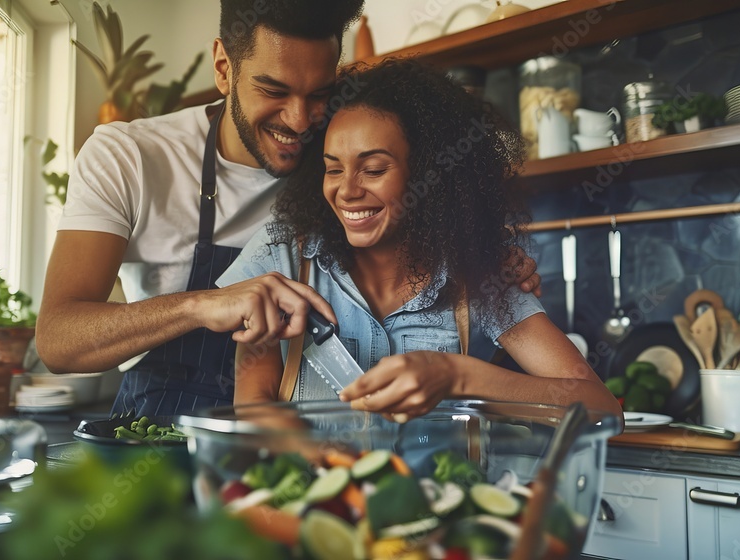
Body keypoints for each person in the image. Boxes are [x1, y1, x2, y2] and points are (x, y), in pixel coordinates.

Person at [37, 0, 541, 417]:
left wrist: (485, 254)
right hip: (160, 424)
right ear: (223, 68)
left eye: (319, 94)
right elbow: (58, 341)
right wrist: (201, 304)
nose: (300, 122)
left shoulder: (341, 151)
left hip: (281, 427)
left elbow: (430, 203)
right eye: (273, 91)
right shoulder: (129, 156)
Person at [221, 58, 621, 421]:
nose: (347, 191)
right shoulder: (283, 255)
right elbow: (254, 406)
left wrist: (457, 376)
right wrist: (332, 472)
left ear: (429, 176)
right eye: (333, 169)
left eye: (373, 169)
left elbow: (601, 410)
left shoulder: (480, 270)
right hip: (314, 499)